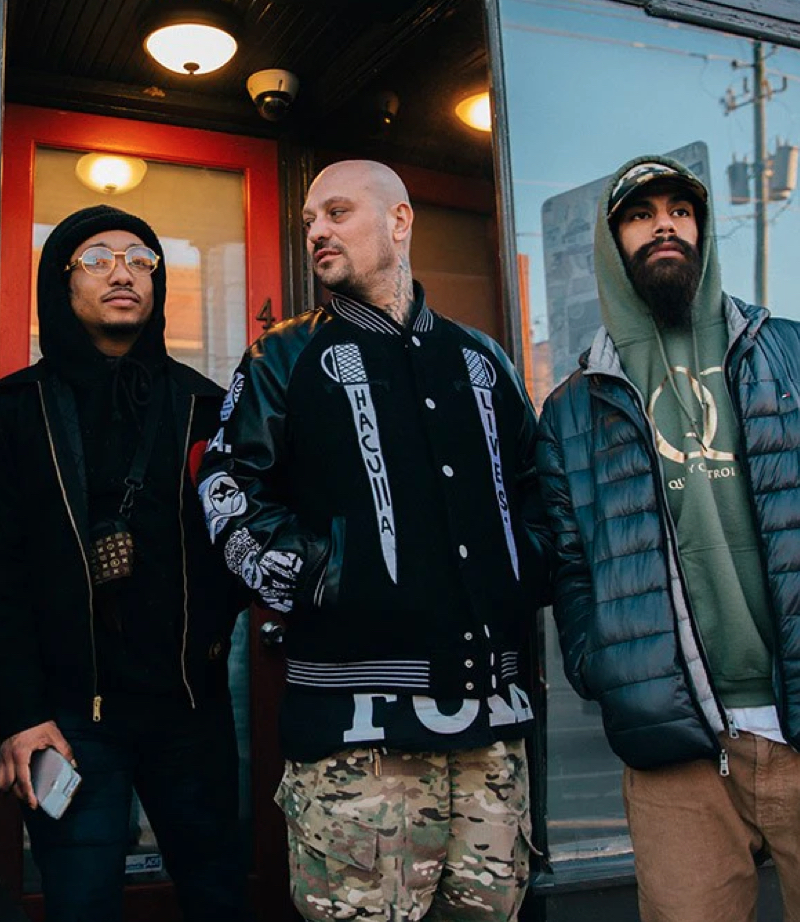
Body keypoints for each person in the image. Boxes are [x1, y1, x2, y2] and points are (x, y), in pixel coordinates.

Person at [198, 159, 553, 922]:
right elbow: (228, 493)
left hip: (494, 732)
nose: (317, 231)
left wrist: (527, 570)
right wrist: (323, 574)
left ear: (399, 221)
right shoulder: (281, 358)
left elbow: (541, 489)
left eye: (337, 212)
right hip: (354, 741)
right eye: (308, 221)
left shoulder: (483, 359)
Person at [535, 154, 800, 922]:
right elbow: (570, 567)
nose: (665, 227)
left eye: (680, 212)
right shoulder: (574, 409)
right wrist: (608, 665)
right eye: (641, 214)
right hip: (676, 749)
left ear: (704, 229)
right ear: (612, 239)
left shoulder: (784, 354)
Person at [0, 206, 251, 922]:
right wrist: (20, 715)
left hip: (191, 711)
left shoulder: (207, 407)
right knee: (81, 904)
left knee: (218, 894)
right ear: (61, 281)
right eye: (99, 257)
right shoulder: (19, 410)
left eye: (142, 258)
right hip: (68, 723)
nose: (123, 272)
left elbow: (243, 541)